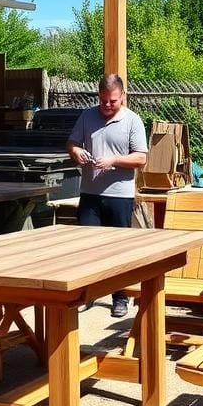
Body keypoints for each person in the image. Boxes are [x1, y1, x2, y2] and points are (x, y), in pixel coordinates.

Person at [66, 73, 148, 317]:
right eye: (103, 101)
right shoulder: (87, 116)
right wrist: (77, 151)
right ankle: (87, 293)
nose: (107, 106)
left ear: (122, 96)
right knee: (87, 247)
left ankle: (120, 297)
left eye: (112, 101)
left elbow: (141, 157)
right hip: (90, 193)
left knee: (118, 249)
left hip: (119, 196)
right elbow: (71, 143)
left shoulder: (133, 121)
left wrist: (114, 159)